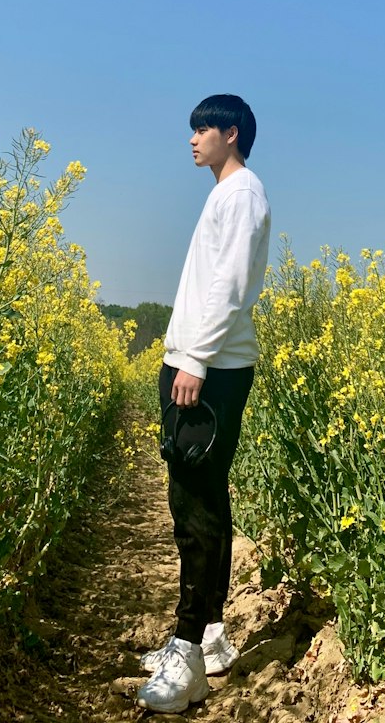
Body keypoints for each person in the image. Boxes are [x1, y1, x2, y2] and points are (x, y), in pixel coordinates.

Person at [136, 94, 271, 714]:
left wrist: (195, 359)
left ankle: (187, 652)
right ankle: (210, 635)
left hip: (208, 370)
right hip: (202, 363)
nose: (192, 139)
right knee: (203, 497)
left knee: (194, 507)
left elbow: (232, 285)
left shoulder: (241, 194)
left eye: (202, 129)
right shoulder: (225, 193)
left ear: (232, 133)